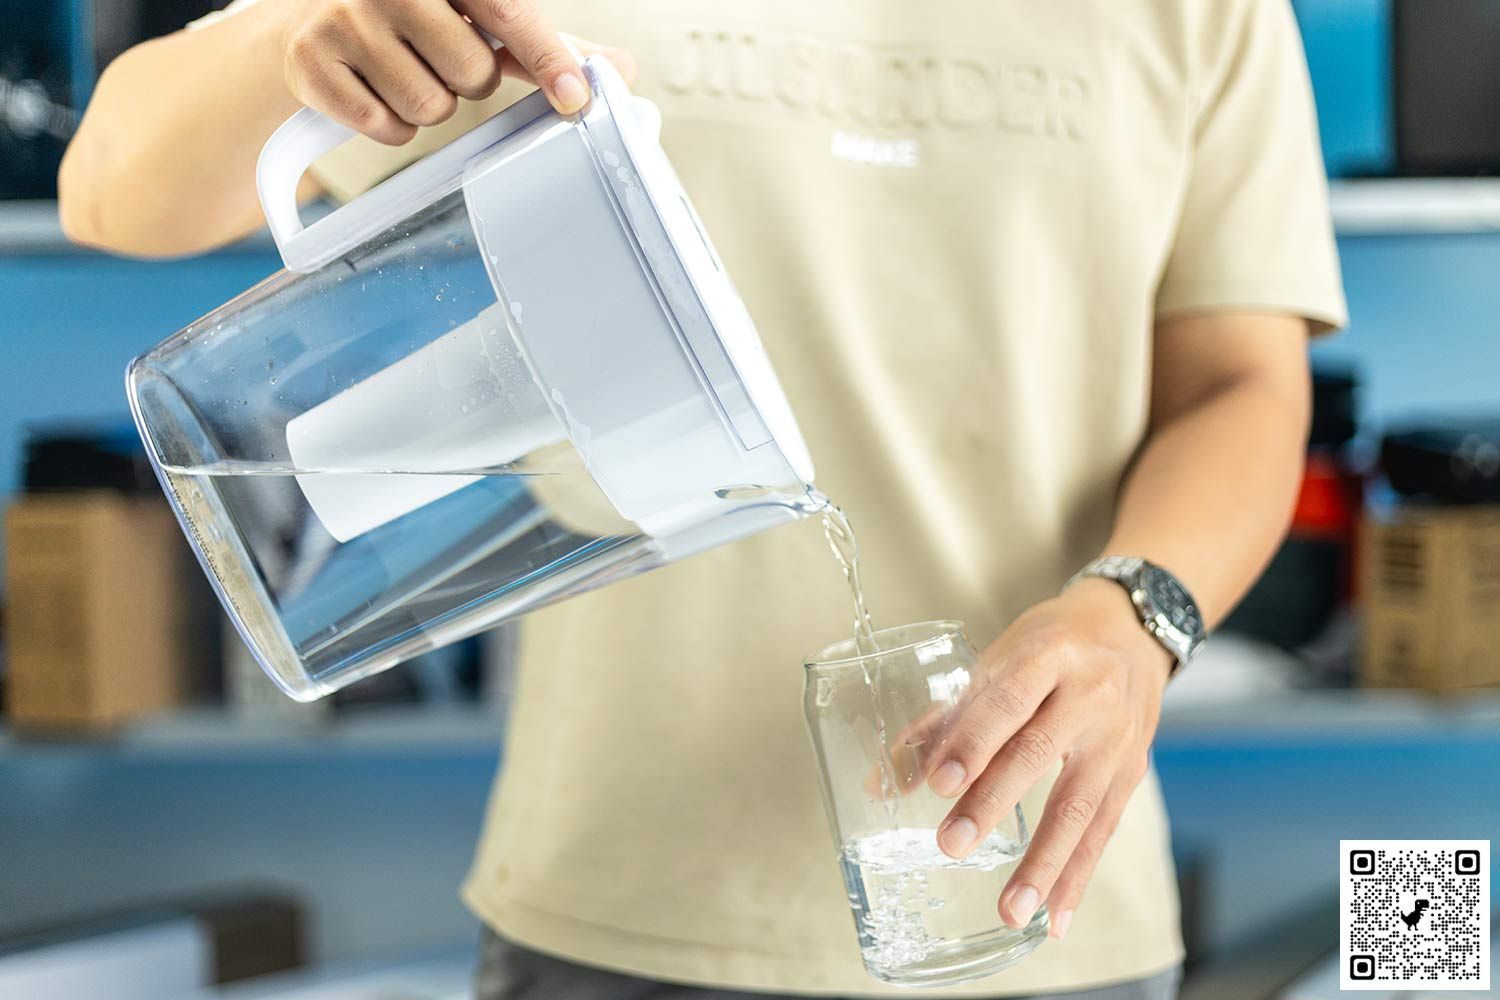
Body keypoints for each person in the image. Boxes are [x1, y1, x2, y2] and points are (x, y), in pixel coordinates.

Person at [59, 1, 1345, 997]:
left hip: (1042, 915)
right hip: (618, 920)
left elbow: (1242, 389)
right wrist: (302, 32)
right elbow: (109, 180)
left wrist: (1141, 612)